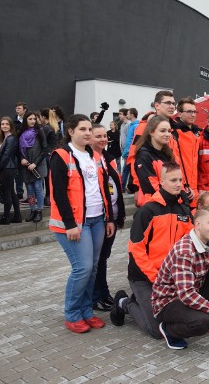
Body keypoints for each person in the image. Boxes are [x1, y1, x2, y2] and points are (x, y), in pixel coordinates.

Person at [109, 163, 193, 338]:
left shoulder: (184, 210)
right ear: (161, 182)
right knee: (157, 330)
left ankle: (139, 300)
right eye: (173, 180)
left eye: (180, 180)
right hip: (144, 277)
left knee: (180, 316)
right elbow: (136, 249)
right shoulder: (147, 211)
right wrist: (156, 278)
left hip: (170, 278)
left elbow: (188, 244)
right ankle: (124, 303)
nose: (178, 184)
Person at [49, 114, 115, 333]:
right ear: (70, 131)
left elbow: (103, 188)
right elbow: (58, 193)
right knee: (82, 268)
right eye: (83, 129)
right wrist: (70, 224)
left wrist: (109, 217)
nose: (88, 133)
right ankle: (72, 313)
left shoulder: (93, 155)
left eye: (89, 129)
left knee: (93, 267)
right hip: (76, 223)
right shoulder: (61, 156)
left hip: (97, 219)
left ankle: (87, 310)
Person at [151, 208, 209, 350]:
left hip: (192, 293)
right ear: (198, 224)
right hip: (170, 302)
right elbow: (186, 294)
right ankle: (169, 330)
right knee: (202, 323)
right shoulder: (185, 252)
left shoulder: (205, 242)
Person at [89, 124, 126, 311]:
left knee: (103, 257)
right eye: (99, 136)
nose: (104, 139)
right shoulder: (88, 160)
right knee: (98, 259)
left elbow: (116, 188)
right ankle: (97, 296)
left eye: (105, 135)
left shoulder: (108, 158)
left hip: (112, 215)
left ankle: (102, 294)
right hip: (99, 218)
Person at [132, 115, 176, 206]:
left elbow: (176, 180)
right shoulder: (144, 155)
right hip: (154, 206)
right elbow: (151, 187)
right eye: (162, 131)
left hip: (169, 203)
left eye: (169, 131)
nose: (167, 134)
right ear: (151, 132)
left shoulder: (168, 154)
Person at [18, 111, 51, 222]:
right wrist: (22, 159)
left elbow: (45, 149)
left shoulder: (39, 132)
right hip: (26, 166)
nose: (32, 121)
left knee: (38, 188)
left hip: (38, 165)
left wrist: (35, 163)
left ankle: (39, 211)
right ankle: (33, 210)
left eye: (34, 119)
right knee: (30, 190)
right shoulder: (21, 133)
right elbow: (18, 149)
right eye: (30, 119)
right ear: (26, 120)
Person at [172, 97, 202, 204]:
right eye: (189, 112)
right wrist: (183, 185)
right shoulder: (173, 131)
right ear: (179, 114)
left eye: (194, 112)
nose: (193, 115)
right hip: (180, 187)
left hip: (193, 188)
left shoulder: (196, 132)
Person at [0, 117, 22, 224]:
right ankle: (17, 216)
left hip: (8, 168)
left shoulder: (11, 138)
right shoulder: (5, 138)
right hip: (8, 168)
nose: (4, 126)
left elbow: (6, 155)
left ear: (10, 126)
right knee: (11, 192)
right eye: (2, 124)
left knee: (7, 192)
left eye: (7, 124)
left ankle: (6, 218)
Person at [121, 107, 138, 190]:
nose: (127, 115)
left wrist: (127, 151)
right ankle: (127, 186)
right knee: (127, 170)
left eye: (127, 113)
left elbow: (133, 140)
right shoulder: (131, 125)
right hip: (127, 151)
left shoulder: (135, 126)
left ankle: (126, 186)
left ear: (132, 114)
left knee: (128, 170)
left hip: (130, 152)